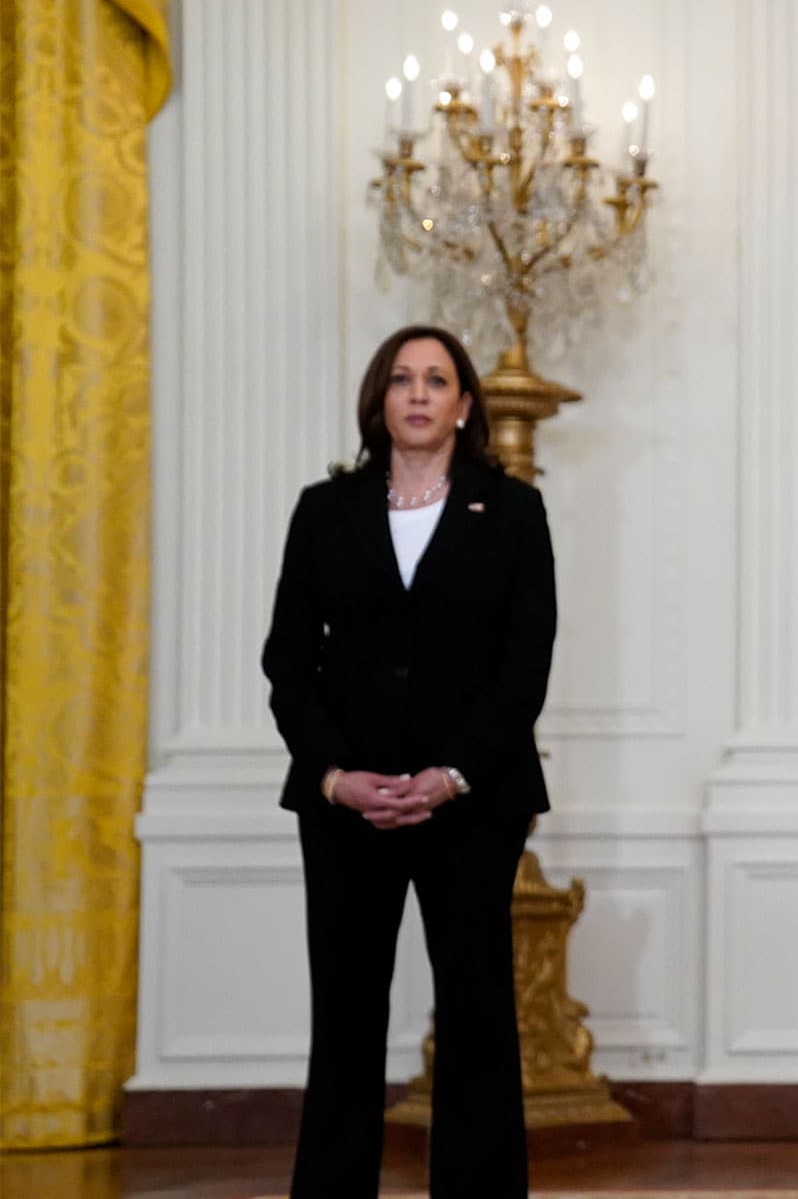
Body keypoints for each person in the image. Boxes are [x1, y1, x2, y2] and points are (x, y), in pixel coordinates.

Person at [262, 323, 556, 1199]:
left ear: (466, 404)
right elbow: (289, 660)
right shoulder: (326, 510)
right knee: (346, 1020)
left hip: (473, 801)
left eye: (437, 379)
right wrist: (334, 777)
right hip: (347, 805)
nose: (419, 394)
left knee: (476, 1015)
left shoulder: (511, 511)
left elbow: (524, 661)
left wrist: (452, 774)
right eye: (402, 379)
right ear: (379, 400)